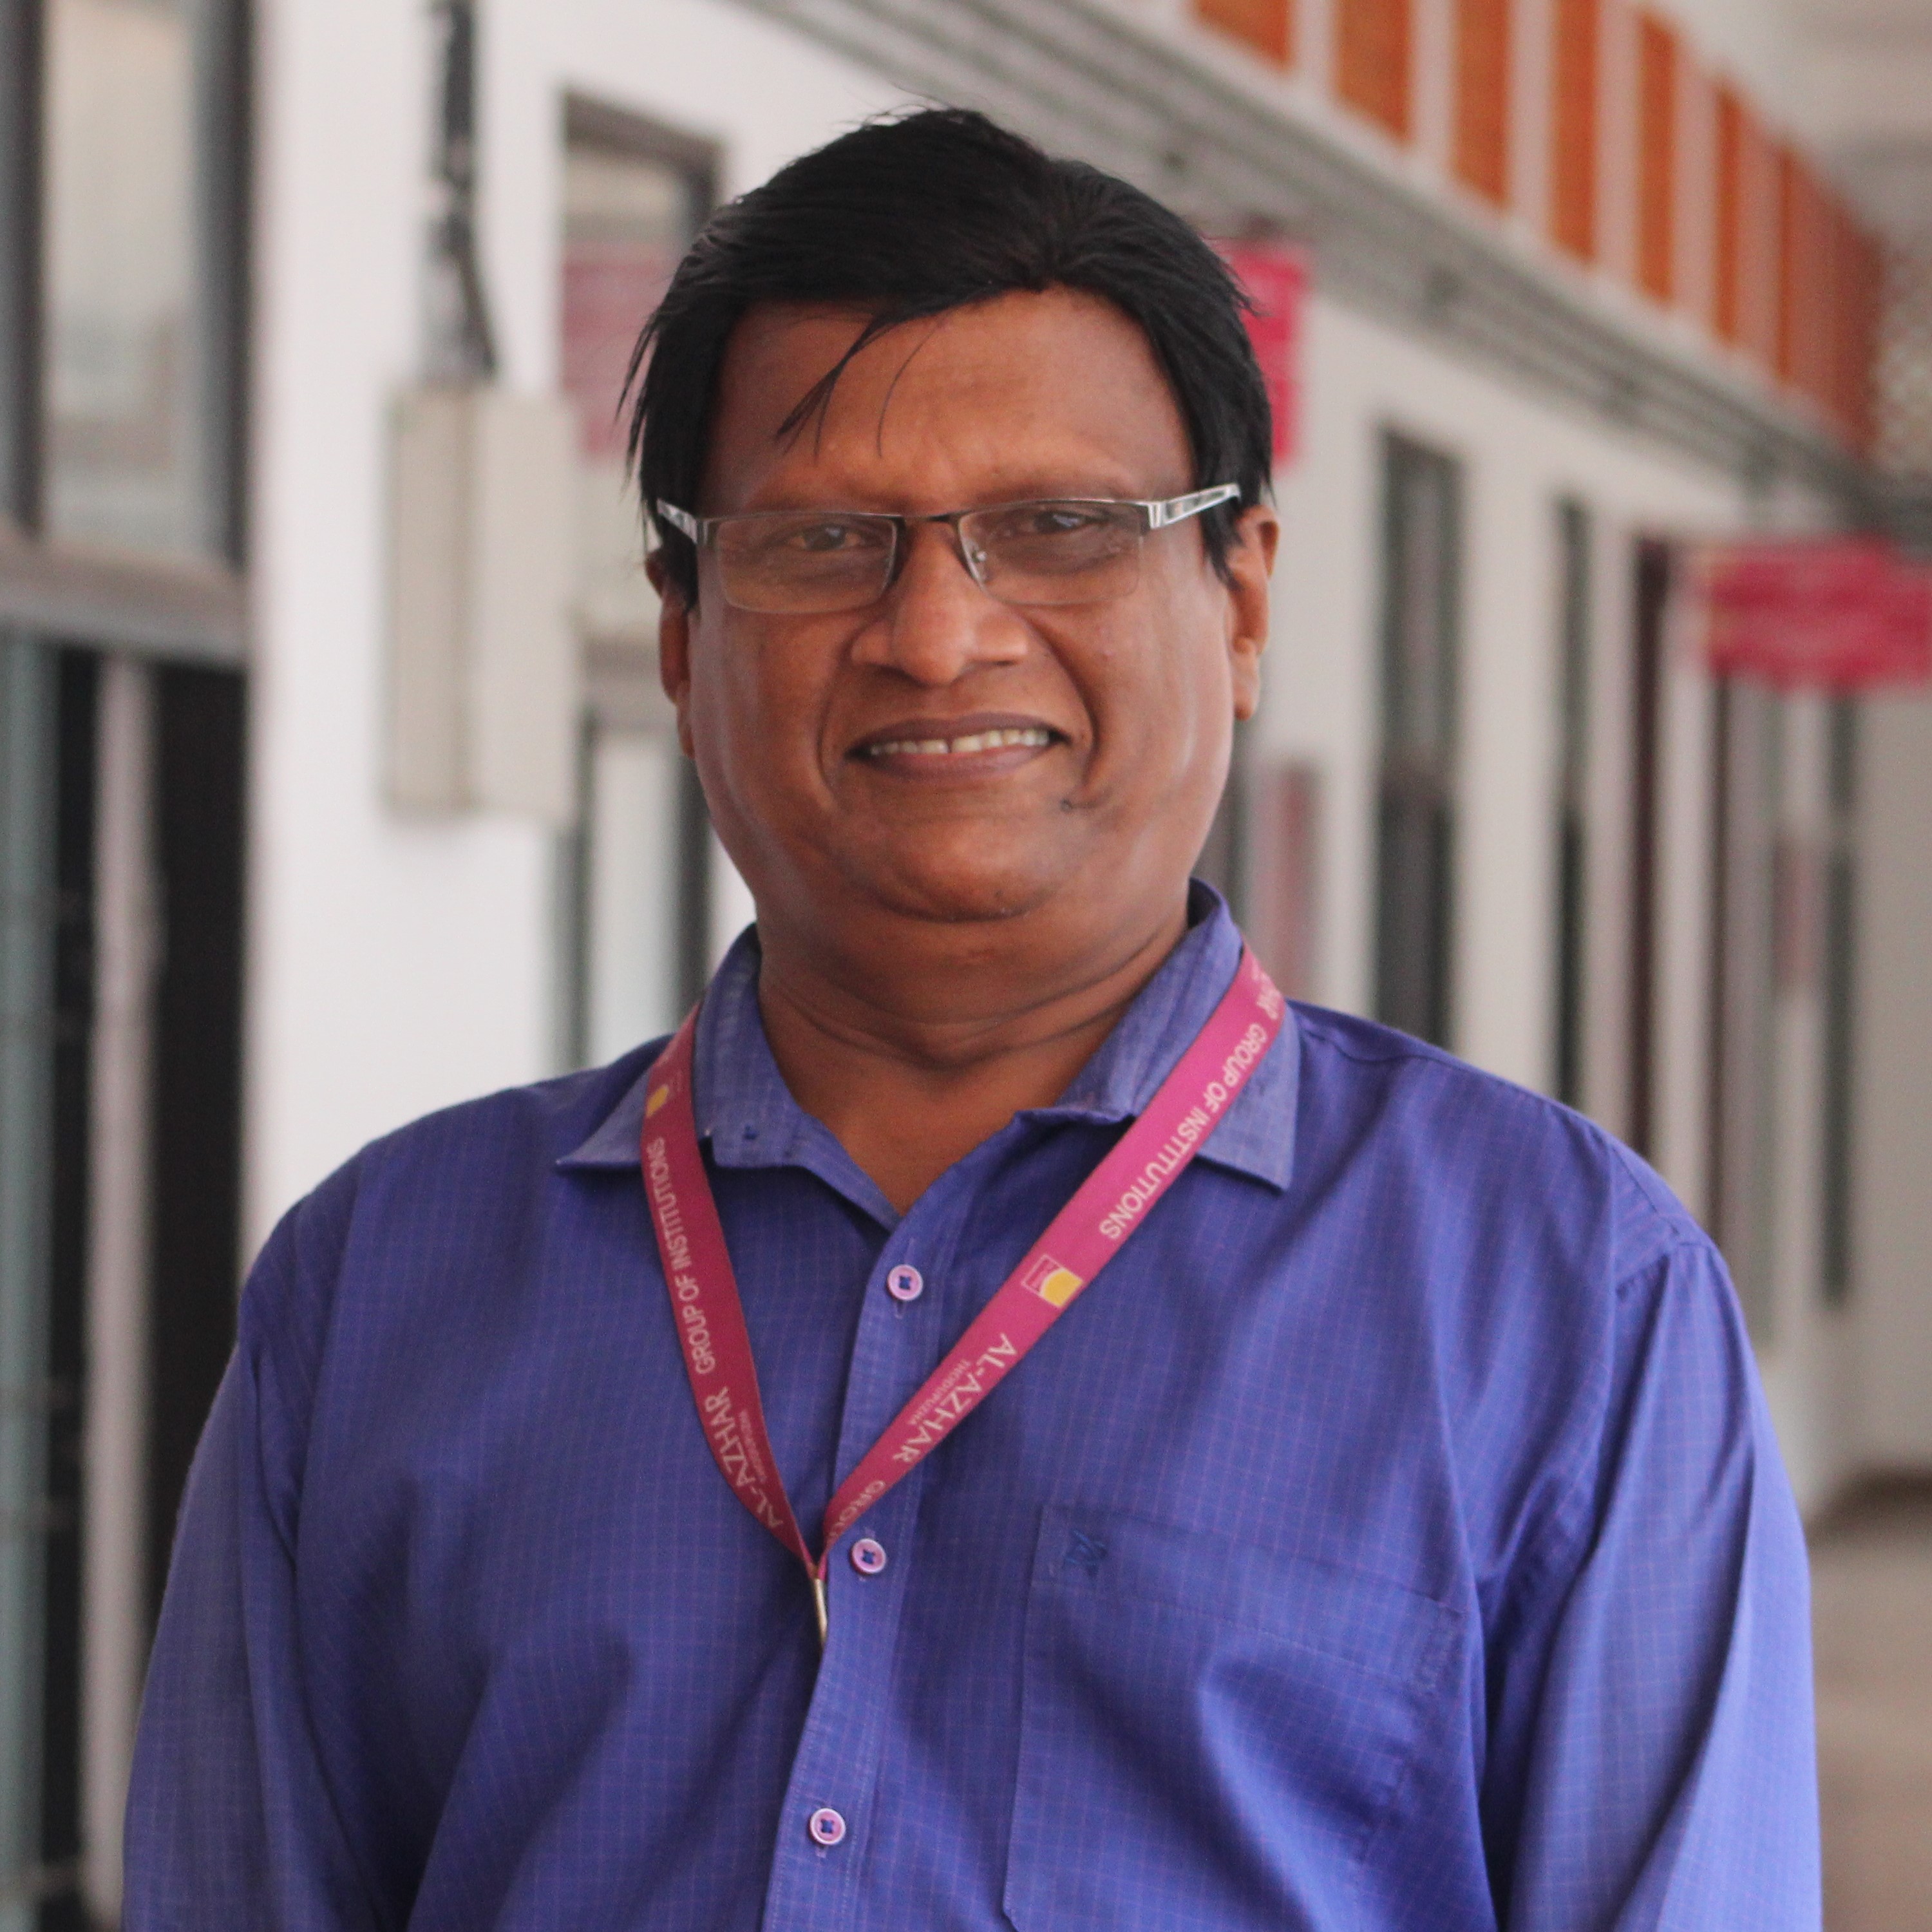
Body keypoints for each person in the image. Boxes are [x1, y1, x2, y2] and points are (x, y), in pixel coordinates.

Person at [126, 108, 1819, 1930]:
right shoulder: (383, 1286)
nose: (937, 635)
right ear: (684, 635)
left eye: (1059, 528)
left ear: (1242, 597)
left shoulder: (1563, 1298)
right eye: (824, 538)